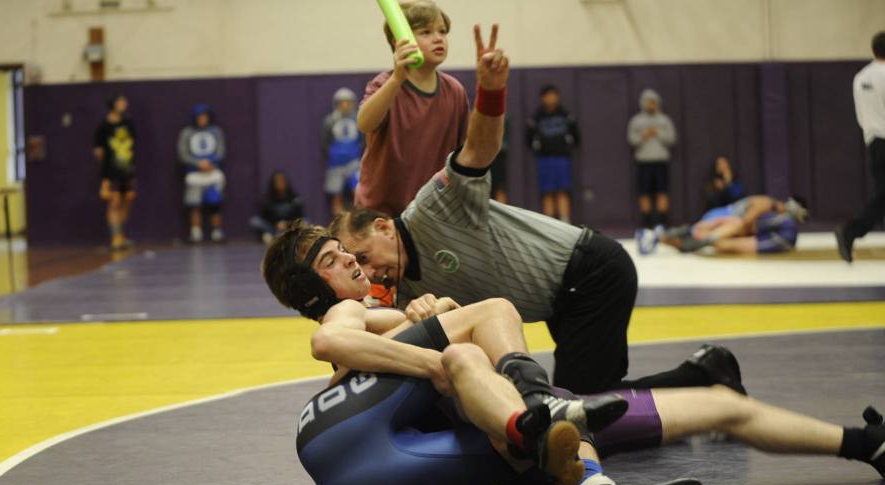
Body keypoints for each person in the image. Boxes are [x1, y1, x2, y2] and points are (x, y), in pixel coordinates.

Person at [260, 223, 885, 485]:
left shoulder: (391, 315)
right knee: (485, 326)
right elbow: (328, 342)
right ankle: (536, 408)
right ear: (316, 291)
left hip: (433, 455)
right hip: (394, 436)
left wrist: (428, 321)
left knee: (719, 406)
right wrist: (434, 351)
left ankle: (862, 443)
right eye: (332, 260)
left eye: (346, 250)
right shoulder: (346, 315)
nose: (350, 259)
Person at [329, 29, 738, 397]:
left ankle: (706, 374)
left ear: (384, 226)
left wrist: (491, 91)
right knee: (592, 395)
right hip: (561, 296)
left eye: (364, 257)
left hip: (591, 273)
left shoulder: (432, 209)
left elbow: (478, 152)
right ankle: (704, 378)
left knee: (584, 402)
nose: (370, 271)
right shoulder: (410, 293)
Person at [354, 0, 469, 216]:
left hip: (431, 210)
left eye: (442, 32)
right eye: (425, 32)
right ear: (400, 41)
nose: (438, 38)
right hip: (379, 212)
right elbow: (364, 123)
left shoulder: (455, 91)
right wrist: (398, 78)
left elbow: (463, 152)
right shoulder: (385, 84)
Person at [837, 31, 885, 263]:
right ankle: (850, 231)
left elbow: (861, 115)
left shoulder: (861, 77)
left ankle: (851, 231)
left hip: (873, 141)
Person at [657, 194, 808, 255]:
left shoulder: (771, 209)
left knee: (707, 236)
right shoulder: (767, 204)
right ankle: (663, 236)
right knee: (705, 235)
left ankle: (665, 237)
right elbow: (745, 222)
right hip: (723, 218)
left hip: (724, 218)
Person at [628, 89, 677, 247]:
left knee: (662, 192)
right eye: (648, 102)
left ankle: (661, 224)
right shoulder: (636, 121)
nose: (651, 105)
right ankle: (647, 223)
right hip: (644, 162)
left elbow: (671, 139)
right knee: (644, 193)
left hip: (661, 161)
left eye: (654, 102)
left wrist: (658, 133)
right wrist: (645, 135)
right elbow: (632, 140)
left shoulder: (664, 120)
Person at [527, 84, 579, 222]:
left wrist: (566, 147)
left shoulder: (565, 115)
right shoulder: (536, 117)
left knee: (563, 190)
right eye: (548, 95)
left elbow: (576, 136)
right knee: (547, 191)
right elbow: (529, 139)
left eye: (554, 95)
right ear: (542, 98)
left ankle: (565, 221)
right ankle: (549, 223)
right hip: (545, 159)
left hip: (562, 158)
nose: (551, 98)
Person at [93, 95, 136, 251]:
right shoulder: (103, 127)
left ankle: (122, 234)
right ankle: (115, 237)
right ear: (113, 105)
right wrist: (105, 174)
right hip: (111, 171)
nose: (124, 104)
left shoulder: (128, 124)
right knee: (114, 201)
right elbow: (98, 152)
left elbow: (132, 146)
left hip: (127, 169)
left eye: (125, 101)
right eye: (121, 101)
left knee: (127, 200)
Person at [178, 104, 226, 243]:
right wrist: (197, 163)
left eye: (205, 116)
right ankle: (196, 232)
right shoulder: (187, 133)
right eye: (200, 116)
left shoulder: (216, 132)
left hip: (212, 172)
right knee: (194, 203)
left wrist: (211, 162)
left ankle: (216, 231)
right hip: (194, 174)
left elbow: (221, 150)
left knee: (215, 202)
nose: (202, 119)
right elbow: (183, 153)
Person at [322, 88, 364, 217]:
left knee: (358, 191)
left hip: (354, 163)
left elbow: (363, 140)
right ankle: (338, 221)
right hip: (336, 164)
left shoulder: (358, 119)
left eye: (348, 102)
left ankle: (360, 218)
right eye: (342, 102)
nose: (345, 105)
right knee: (336, 195)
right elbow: (325, 142)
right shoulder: (330, 121)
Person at [249, 171, 306, 245]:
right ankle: (272, 236)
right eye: (277, 181)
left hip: (290, 227)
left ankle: (287, 236)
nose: (280, 183)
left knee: (306, 222)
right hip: (273, 227)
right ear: (273, 183)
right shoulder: (267, 198)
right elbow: (264, 216)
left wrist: (287, 224)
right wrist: (276, 223)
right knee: (255, 221)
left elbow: (299, 216)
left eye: (282, 181)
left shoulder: (294, 198)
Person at [488, 114, 509, 203]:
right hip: (482, 162)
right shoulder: (476, 115)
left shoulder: (503, 119)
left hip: (499, 160)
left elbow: (503, 145)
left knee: (500, 189)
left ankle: (501, 214)